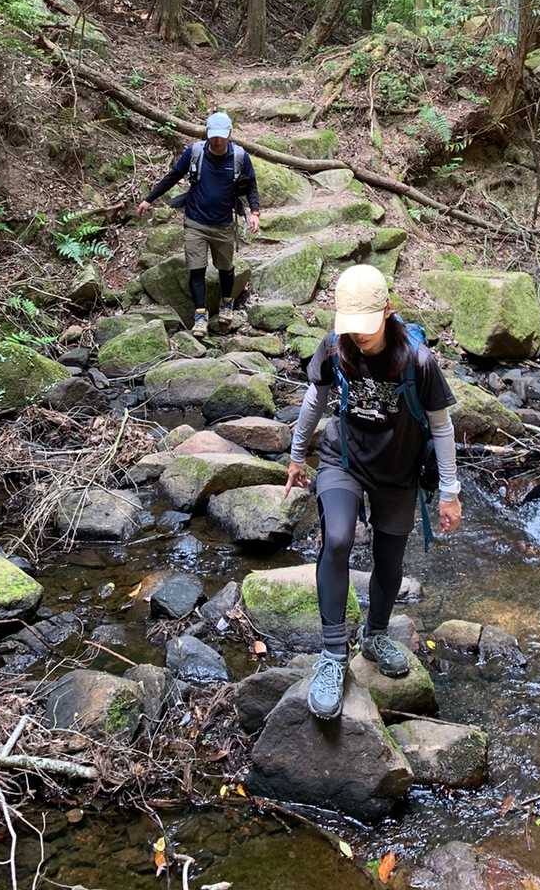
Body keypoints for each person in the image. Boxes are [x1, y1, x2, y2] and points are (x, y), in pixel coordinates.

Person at [285, 263, 462, 720]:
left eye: (366, 325)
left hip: (398, 470)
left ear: (387, 310)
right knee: (337, 538)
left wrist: (450, 491)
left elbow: (442, 427)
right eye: (351, 325)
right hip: (343, 460)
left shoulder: (417, 361)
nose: (358, 335)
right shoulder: (335, 345)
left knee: (390, 559)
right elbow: (315, 399)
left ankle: (376, 635)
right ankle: (332, 655)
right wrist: (296, 455)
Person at [136, 111, 260, 337]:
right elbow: (173, 175)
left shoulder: (239, 157)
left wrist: (255, 212)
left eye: (221, 136)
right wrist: (149, 199)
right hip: (195, 222)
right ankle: (200, 317)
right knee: (196, 269)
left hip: (223, 224)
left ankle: (227, 303)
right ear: (207, 133)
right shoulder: (195, 153)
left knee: (225, 268)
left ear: (229, 134)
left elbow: (251, 185)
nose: (217, 141)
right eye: (214, 136)